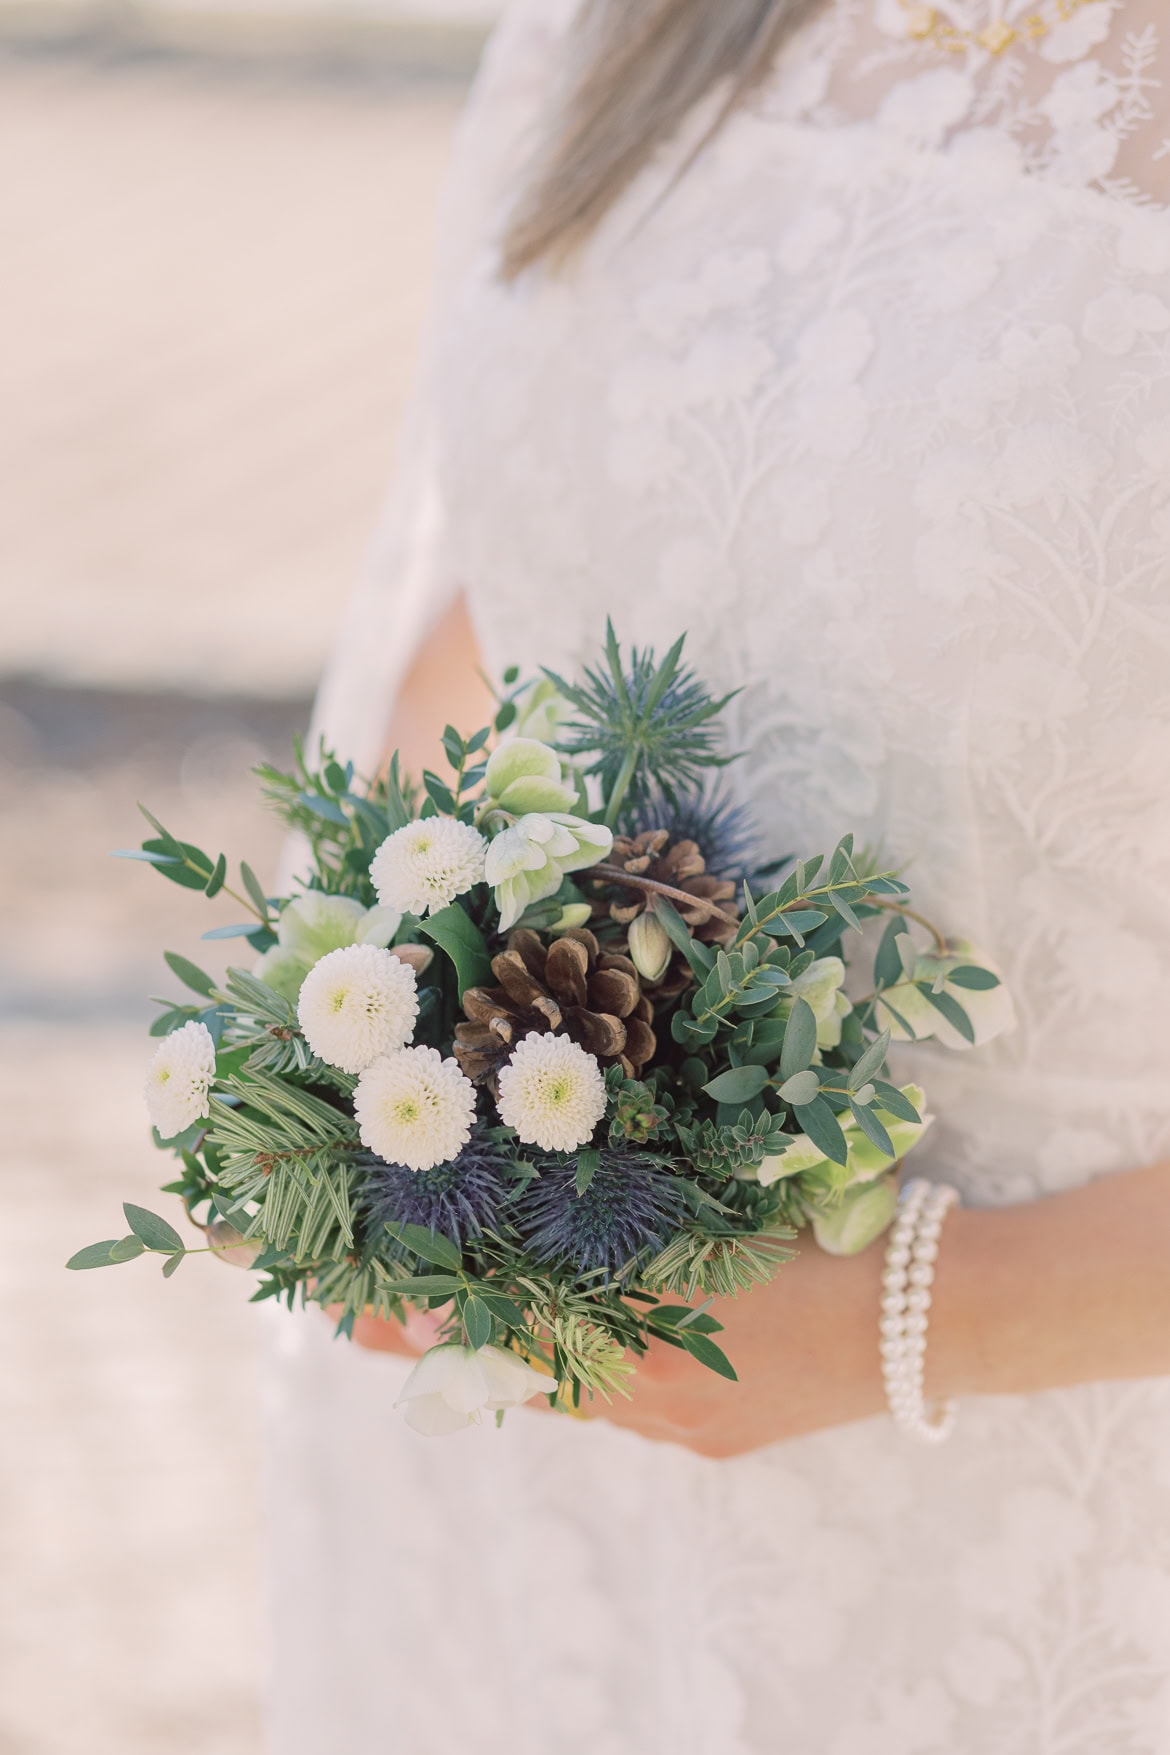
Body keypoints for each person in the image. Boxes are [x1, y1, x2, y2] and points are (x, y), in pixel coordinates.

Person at [265, 2, 1170, 1749]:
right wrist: (345, 1062)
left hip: (1059, 1508)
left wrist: (917, 1317)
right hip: (540, 1509)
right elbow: (507, 585)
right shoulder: (624, 25)